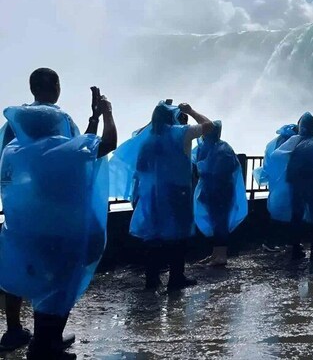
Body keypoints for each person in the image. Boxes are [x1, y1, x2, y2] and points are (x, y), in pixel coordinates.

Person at [0, 71, 116, 359]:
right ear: (55, 87)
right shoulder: (59, 133)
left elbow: (73, 147)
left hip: (21, 219)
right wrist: (105, 114)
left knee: (23, 270)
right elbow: (89, 148)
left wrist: (93, 120)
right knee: (60, 278)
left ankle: (22, 332)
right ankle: (44, 345)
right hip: (59, 222)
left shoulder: (12, 138)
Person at [113, 101, 214, 291]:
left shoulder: (147, 139)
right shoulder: (181, 132)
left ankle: (151, 280)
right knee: (178, 235)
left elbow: (141, 167)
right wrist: (190, 110)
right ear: (174, 116)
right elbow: (210, 126)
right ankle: (176, 278)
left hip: (153, 194)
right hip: (178, 191)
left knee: (154, 235)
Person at [263, 112, 313, 262]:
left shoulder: (293, 141)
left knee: (297, 216)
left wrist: (284, 171)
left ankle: (295, 249)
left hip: (297, 183)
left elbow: (275, 156)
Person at [193, 121, 248, 268]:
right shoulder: (208, 147)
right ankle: (215, 253)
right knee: (215, 223)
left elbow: (224, 171)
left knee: (221, 223)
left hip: (221, 192)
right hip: (211, 191)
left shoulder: (223, 148)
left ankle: (221, 256)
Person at [256, 123, 298, 253]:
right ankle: (277, 242)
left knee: (278, 213)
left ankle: (278, 242)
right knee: (288, 214)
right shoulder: (289, 146)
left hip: (277, 184)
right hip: (288, 184)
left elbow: (268, 165)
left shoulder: (273, 145)